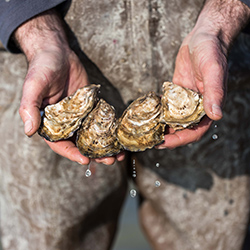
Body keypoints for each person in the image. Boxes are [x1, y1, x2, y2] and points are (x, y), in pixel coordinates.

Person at [0, 0, 250, 249]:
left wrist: (220, 20)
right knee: (45, 237)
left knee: (215, 238)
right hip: (52, 63)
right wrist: (34, 27)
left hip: (208, 57)